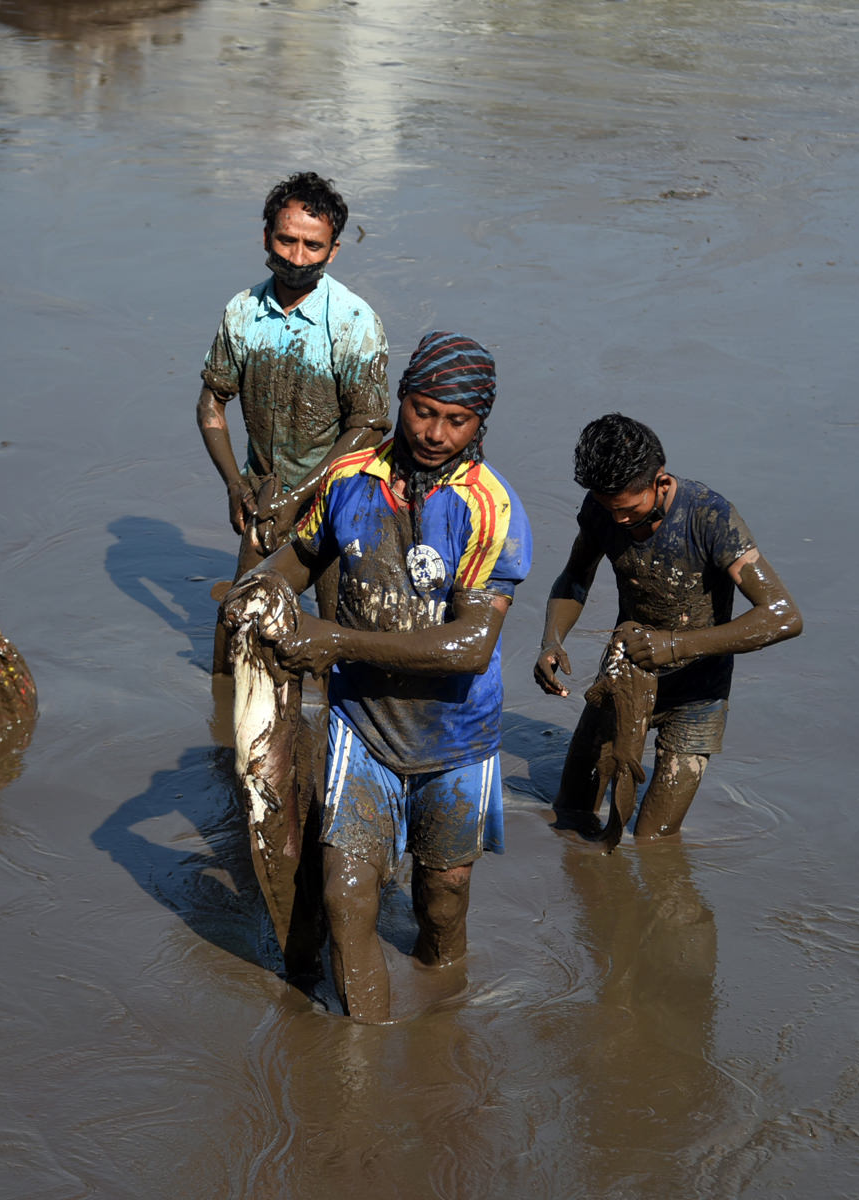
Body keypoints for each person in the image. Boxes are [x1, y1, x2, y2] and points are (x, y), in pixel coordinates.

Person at [224, 332, 531, 1023]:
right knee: (345, 894)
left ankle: (441, 1015)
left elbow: (473, 645)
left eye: (457, 421)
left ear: (481, 424)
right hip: (361, 726)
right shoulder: (348, 478)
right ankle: (361, 1060)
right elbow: (301, 558)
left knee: (442, 900)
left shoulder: (492, 510)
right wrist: (263, 589)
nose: (434, 433)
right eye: (423, 411)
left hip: (456, 737)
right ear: (401, 398)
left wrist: (334, 640)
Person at [534, 413, 802, 842]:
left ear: (660, 483)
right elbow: (574, 577)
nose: (620, 521)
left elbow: (783, 615)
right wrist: (551, 639)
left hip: (697, 694)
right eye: (609, 509)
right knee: (571, 814)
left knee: (653, 839)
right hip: (624, 678)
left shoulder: (710, 518)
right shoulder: (603, 510)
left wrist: (675, 646)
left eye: (629, 510)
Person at [196, 171, 390, 636]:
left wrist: (302, 497)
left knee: (332, 640)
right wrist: (234, 485)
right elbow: (211, 404)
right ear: (266, 237)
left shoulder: (353, 322)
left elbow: (370, 427)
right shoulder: (241, 312)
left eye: (313, 246)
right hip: (261, 499)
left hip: (338, 502)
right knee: (236, 636)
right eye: (286, 241)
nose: (297, 257)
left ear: (334, 250)